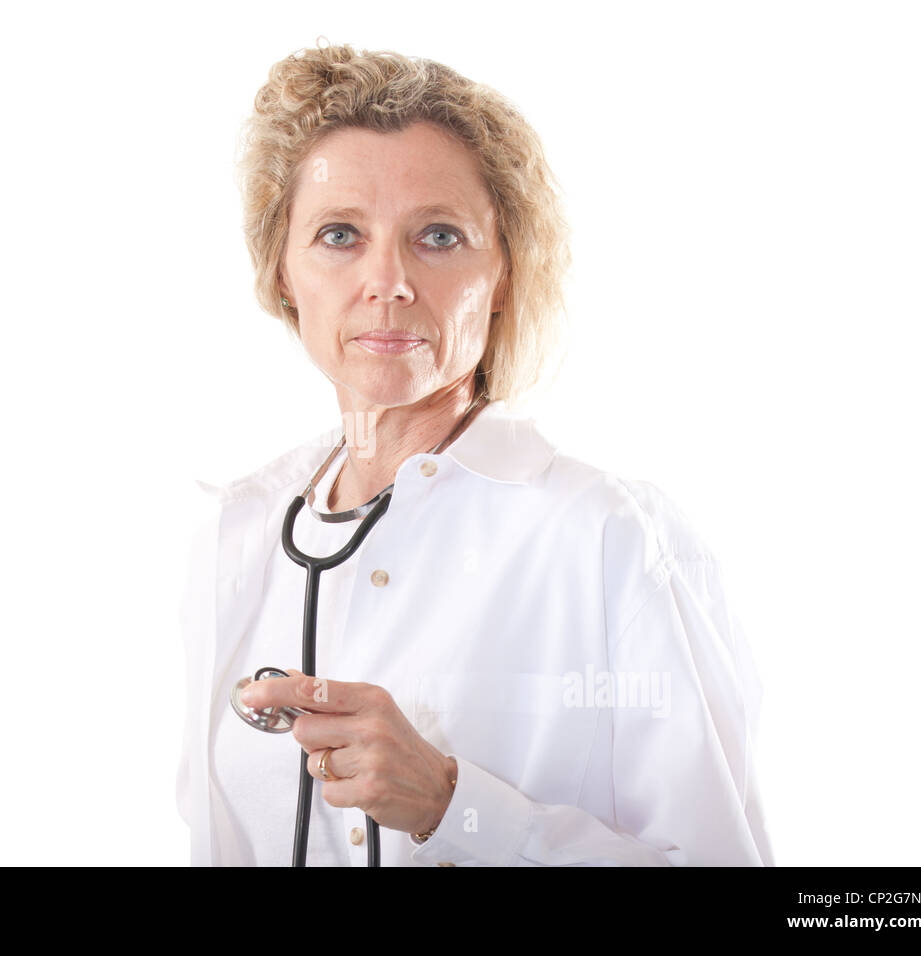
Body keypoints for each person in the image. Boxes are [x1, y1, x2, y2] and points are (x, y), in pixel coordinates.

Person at [176, 40, 774, 867]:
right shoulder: (235, 538)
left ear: (502, 277)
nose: (387, 280)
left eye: (439, 236)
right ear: (282, 273)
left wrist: (455, 805)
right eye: (340, 234)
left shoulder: (608, 540)